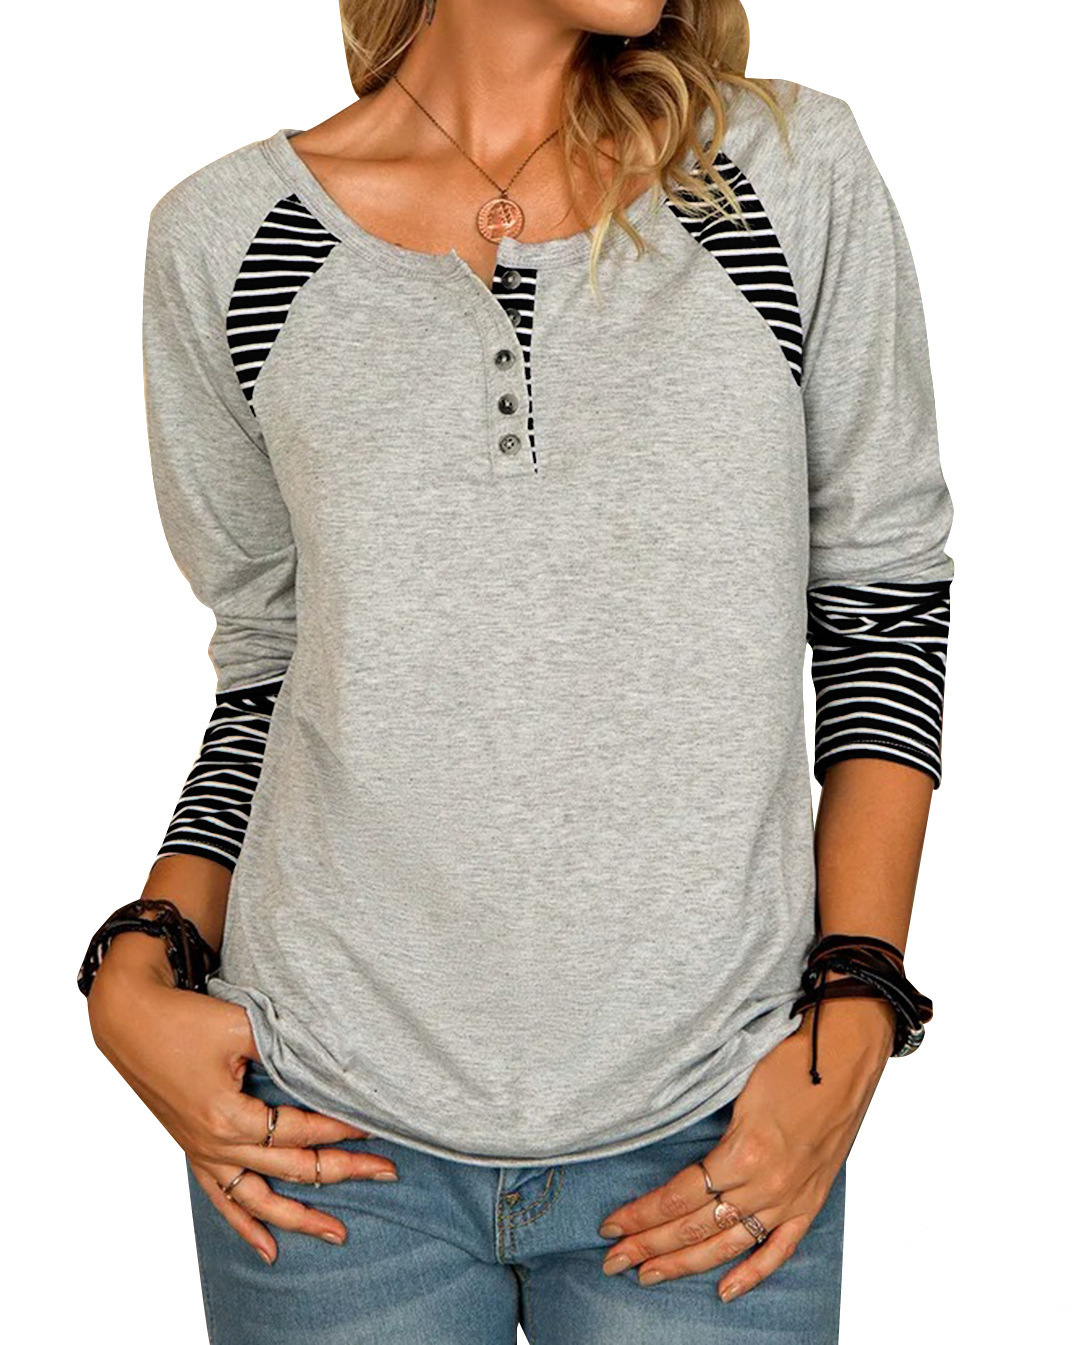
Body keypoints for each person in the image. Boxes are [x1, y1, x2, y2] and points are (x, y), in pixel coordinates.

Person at [81, 2, 954, 1341]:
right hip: (321, 1138)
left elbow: (882, 608)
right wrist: (139, 962)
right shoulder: (225, 239)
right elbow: (271, 664)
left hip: (717, 1131)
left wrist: (858, 1005)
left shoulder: (783, 174)